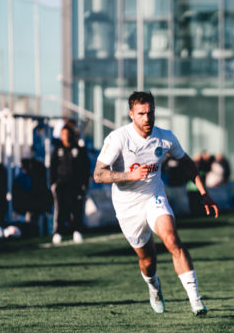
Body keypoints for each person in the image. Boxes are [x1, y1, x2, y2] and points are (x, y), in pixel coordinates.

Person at [93, 91, 219, 315]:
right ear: (131, 114)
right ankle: (154, 287)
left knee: (171, 239)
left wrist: (203, 193)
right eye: (141, 114)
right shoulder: (118, 138)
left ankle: (196, 300)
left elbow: (187, 163)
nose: (147, 118)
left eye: (150, 113)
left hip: (154, 197)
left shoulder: (165, 137)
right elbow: (98, 174)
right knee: (147, 260)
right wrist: (128, 176)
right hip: (127, 207)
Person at [50, 126, 91, 243]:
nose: (66, 136)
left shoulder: (79, 149)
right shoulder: (57, 150)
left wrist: (85, 183)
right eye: (63, 134)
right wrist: (52, 183)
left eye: (68, 134)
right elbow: (53, 167)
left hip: (76, 185)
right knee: (60, 209)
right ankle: (58, 232)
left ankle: (77, 231)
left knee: (77, 208)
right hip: (61, 184)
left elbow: (85, 168)